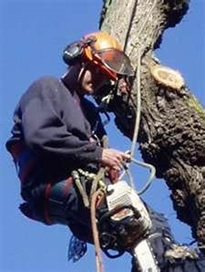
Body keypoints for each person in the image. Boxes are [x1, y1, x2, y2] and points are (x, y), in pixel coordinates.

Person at [6, 31, 205, 271]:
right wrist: (99, 155)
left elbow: (91, 152)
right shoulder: (48, 88)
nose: (99, 80)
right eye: (97, 71)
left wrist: (108, 164)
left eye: (105, 78)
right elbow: (41, 135)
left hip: (78, 191)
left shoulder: (89, 114)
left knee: (151, 228)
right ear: (79, 58)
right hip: (51, 182)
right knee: (142, 223)